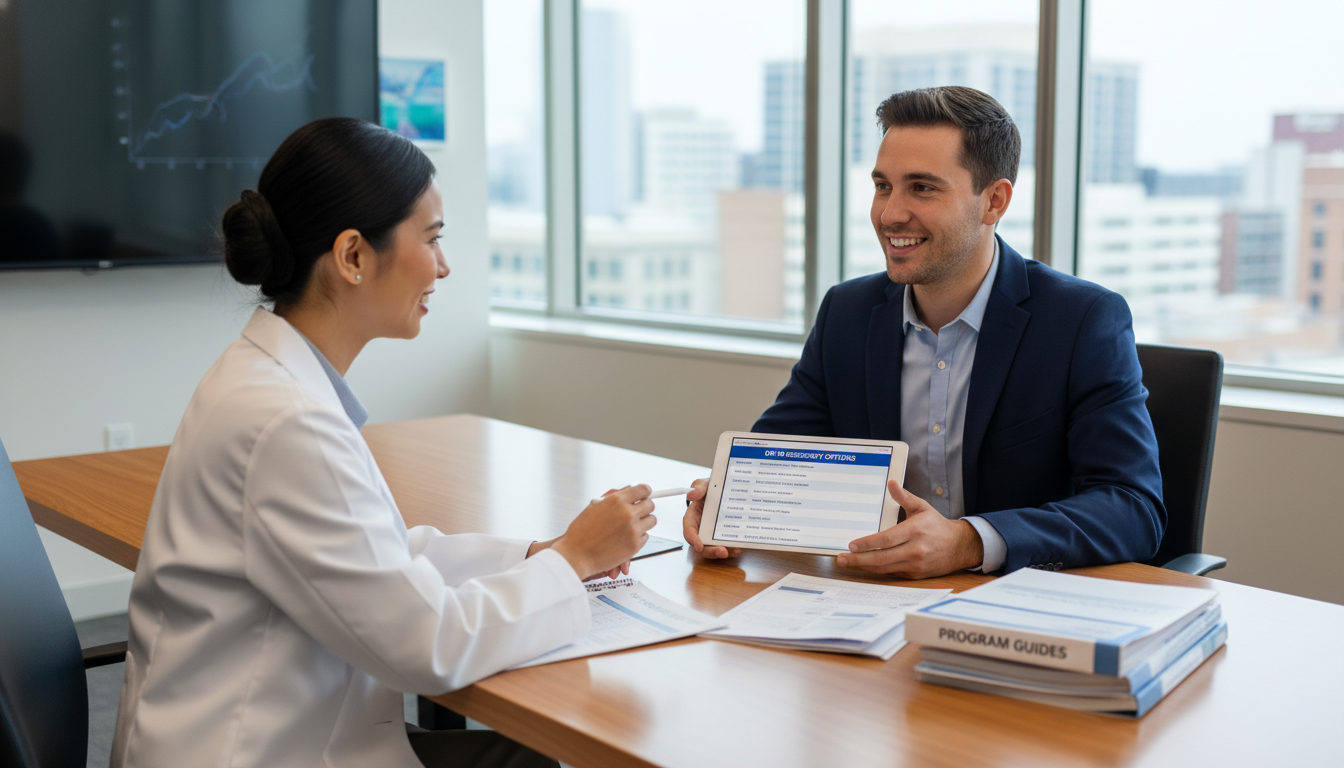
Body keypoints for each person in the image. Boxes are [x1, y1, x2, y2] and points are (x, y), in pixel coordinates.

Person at [110, 118, 656, 768]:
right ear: (353, 257)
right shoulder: (286, 420)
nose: (445, 266)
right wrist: (571, 559)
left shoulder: (267, 381)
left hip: (255, 732)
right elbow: (427, 644)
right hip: (251, 751)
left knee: (523, 751)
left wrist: (531, 553)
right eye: (432, 239)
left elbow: (382, 557)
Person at [683, 86, 1164, 579]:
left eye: (922, 187)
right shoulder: (847, 312)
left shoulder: (1082, 320)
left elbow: (1132, 508)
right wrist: (724, 500)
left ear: (993, 201)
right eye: (882, 186)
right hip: (872, 599)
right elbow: (772, 459)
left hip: (1016, 604)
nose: (890, 214)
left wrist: (969, 541)